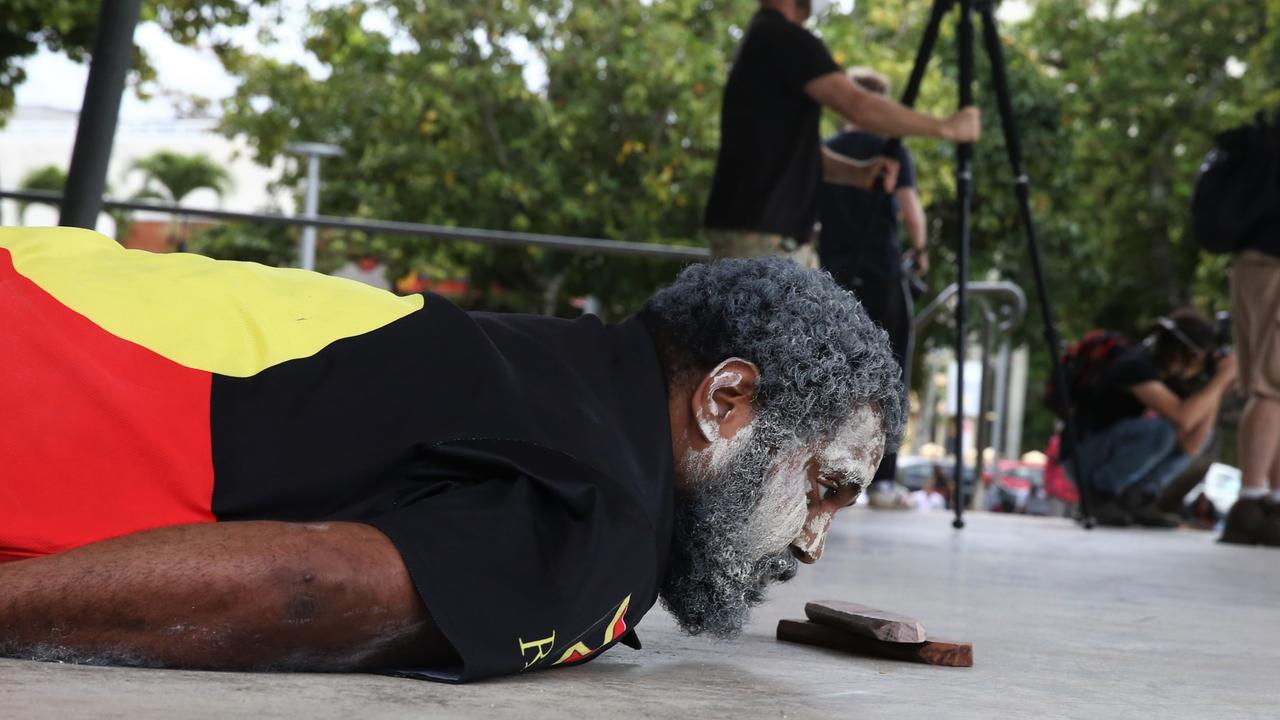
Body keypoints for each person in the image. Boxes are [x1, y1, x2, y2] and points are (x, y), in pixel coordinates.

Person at [0, 227, 903, 682]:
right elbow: (312, 589)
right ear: (725, 400)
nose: (811, 543)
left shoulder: (552, 361)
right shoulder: (608, 525)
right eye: (824, 488)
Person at [703, 0, 980, 265]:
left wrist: (857, 173)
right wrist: (948, 127)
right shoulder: (786, 38)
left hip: (757, 233)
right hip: (766, 240)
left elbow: (791, 152)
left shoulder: (761, 37)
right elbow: (859, 107)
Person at [818, 66, 927, 487]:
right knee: (891, 369)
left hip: (834, 275)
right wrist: (921, 252)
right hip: (881, 271)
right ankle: (882, 476)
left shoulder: (828, 150)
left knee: (833, 367)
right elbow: (912, 211)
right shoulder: (892, 148)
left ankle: (825, 468)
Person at [1066, 310, 1236, 527]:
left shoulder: (1167, 377)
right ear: (1190, 354)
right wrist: (1220, 380)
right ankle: (1099, 495)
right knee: (1162, 432)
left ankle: (1140, 498)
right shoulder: (1134, 365)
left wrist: (1217, 384)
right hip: (1083, 454)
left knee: (1201, 432)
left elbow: (1191, 442)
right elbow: (1183, 418)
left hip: (1103, 450)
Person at [1220, 194, 1280, 545]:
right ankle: (1252, 501)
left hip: (1262, 259)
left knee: (1273, 387)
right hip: (1272, 261)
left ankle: (1269, 500)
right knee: (1272, 385)